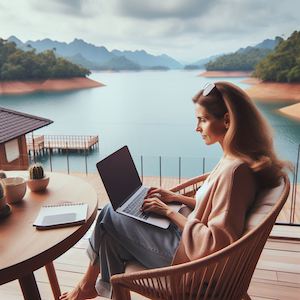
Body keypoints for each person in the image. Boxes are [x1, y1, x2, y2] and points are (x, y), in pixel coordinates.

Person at [60, 82, 288, 300]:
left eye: (203, 120)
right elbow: (216, 209)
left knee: (110, 213)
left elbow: (213, 245)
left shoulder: (235, 172)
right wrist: (174, 199)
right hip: (188, 242)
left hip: (194, 268)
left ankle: (87, 285)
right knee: (111, 234)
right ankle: (94, 286)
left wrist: (169, 213)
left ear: (227, 121)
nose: (197, 128)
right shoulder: (238, 159)